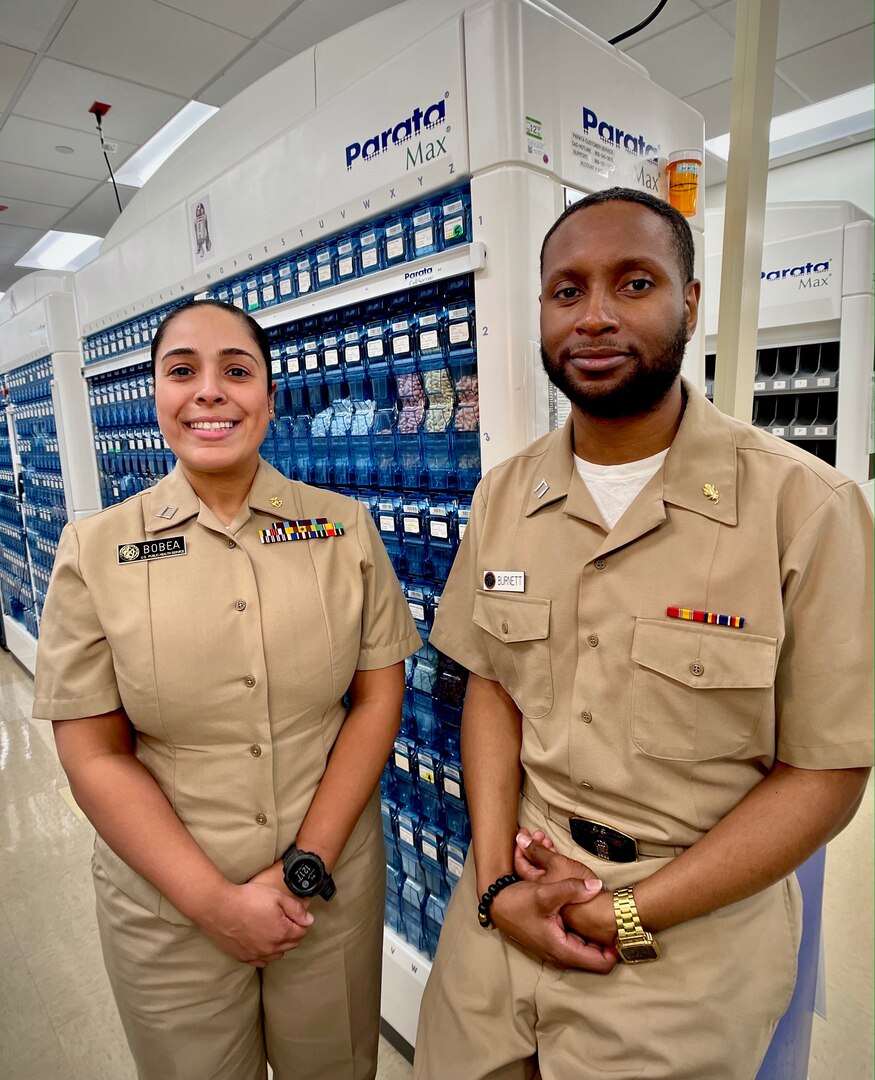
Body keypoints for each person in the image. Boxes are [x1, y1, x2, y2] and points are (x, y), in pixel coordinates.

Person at [414, 187, 873, 1080]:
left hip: (686, 936)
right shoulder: (502, 496)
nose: (593, 317)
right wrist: (497, 884)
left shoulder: (803, 508)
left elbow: (826, 774)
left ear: (688, 303)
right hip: (510, 904)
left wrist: (629, 912)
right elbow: (493, 688)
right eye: (565, 291)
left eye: (633, 283)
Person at [33, 299, 421, 1080]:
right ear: (156, 396)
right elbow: (93, 753)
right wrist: (214, 903)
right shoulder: (95, 550)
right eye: (182, 371)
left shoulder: (344, 531)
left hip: (328, 893)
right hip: (168, 910)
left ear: (270, 399)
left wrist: (305, 864)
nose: (209, 392)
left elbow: (378, 701)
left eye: (236, 371)